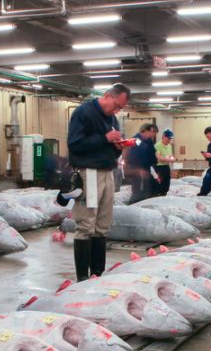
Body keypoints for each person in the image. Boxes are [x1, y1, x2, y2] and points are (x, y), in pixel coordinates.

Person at [67, 83, 131, 281]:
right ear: (106, 95)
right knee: (87, 224)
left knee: (103, 223)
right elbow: (75, 144)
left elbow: (109, 146)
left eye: (120, 108)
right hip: (89, 174)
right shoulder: (83, 113)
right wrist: (104, 138)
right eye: (116, 105)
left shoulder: (112, 119)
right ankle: (82, 278)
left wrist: (118, 146)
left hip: (107, 172)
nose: (117, 111)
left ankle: (97, 273)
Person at [128, 123, 158, 204]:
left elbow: (152, 154)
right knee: (138, 193)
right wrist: (138, 170)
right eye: (153, 132)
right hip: (138, 171)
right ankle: (133, 207)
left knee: (146, 192)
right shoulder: (135, 140)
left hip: (147, 170)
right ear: (145, 130)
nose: (153, 134)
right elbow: (132, 157)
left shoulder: (149, 141)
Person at [154, 128, 176, 196]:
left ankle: (164, 195)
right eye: (168, 138)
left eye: (170, 139)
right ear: (163, 136)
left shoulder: (169, 146)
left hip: (166, 167)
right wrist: (170, 160)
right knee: (159, 185)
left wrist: (173, 159)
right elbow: (159, 158)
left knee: (166, 185)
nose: (169, 140)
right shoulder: (157, 145)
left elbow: (171, 156)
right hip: (159, 168)